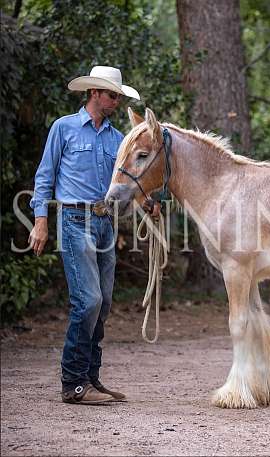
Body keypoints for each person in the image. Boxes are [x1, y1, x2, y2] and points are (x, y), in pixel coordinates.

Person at [28, 66, 140, 405]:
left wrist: (148, 201)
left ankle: (90, 377)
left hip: (105, 222)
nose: (116, 100)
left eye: (118, 95)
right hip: (74, 220)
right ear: (93, 94)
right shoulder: (63, 128)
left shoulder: (117, 138)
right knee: (87, 301)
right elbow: (44, 177)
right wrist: (40, 220)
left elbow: (127, 181)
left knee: (103, 302)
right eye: (111, 95)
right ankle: (73, 383)